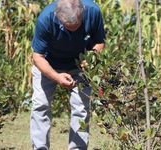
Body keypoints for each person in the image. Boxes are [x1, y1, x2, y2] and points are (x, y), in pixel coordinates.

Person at [30, 0, 105, 149]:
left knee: (81, 109)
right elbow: (37, 57)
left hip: (80, 66)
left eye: (76, 27)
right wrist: (57, 77)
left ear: (82, 13)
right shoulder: (46, 18)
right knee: (40, 105)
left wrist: (91, 58)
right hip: (48, 64)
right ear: (58, 17)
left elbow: (99, 42)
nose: (72, 32)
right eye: (68, 28)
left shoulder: (93, 11)